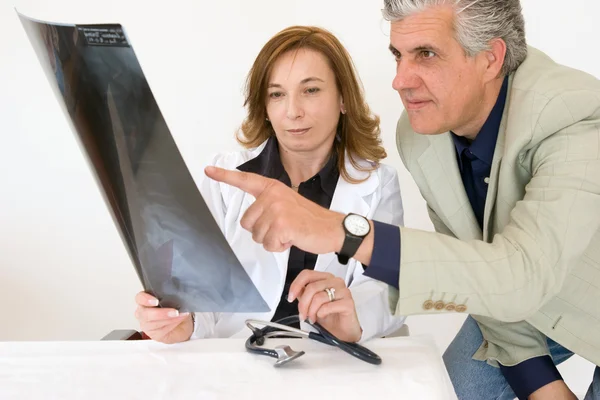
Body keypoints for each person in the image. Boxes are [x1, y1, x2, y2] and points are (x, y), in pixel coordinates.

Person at [205, 1, 600, 399]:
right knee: (445, 392)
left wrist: (341, 231)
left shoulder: (572, 118)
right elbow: (474, 272)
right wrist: (543, 386)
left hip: (586, 301)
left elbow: (522, 273)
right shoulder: (422, 135)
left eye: (426, 54)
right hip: (516, 306)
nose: (399, 81)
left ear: (490, 58)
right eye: (398, 55)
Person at [134, 25, 406, 344]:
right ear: (264, 106)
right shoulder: (223, 178)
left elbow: (392, 282)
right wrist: (182, 322)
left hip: (329, 363)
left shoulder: (377, 183)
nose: (293, 112)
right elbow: (196, 293)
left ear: (343, 98)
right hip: (234, 362)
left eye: (311, 90)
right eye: (277, 94)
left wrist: (353, 314)